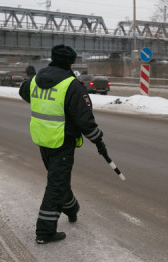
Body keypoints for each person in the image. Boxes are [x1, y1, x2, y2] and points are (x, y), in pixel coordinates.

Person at [19, 44, 108, 244]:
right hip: (62, 142)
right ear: (70, 62)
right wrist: (98, 140)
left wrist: (28, 78)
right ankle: (45, 231)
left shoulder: (36, 81)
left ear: (52, 58)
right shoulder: (72, 85)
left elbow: (24, 92)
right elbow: (85, 120)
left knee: (57, 179)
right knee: (56, 183)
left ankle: (71, 207)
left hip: (43, 139)